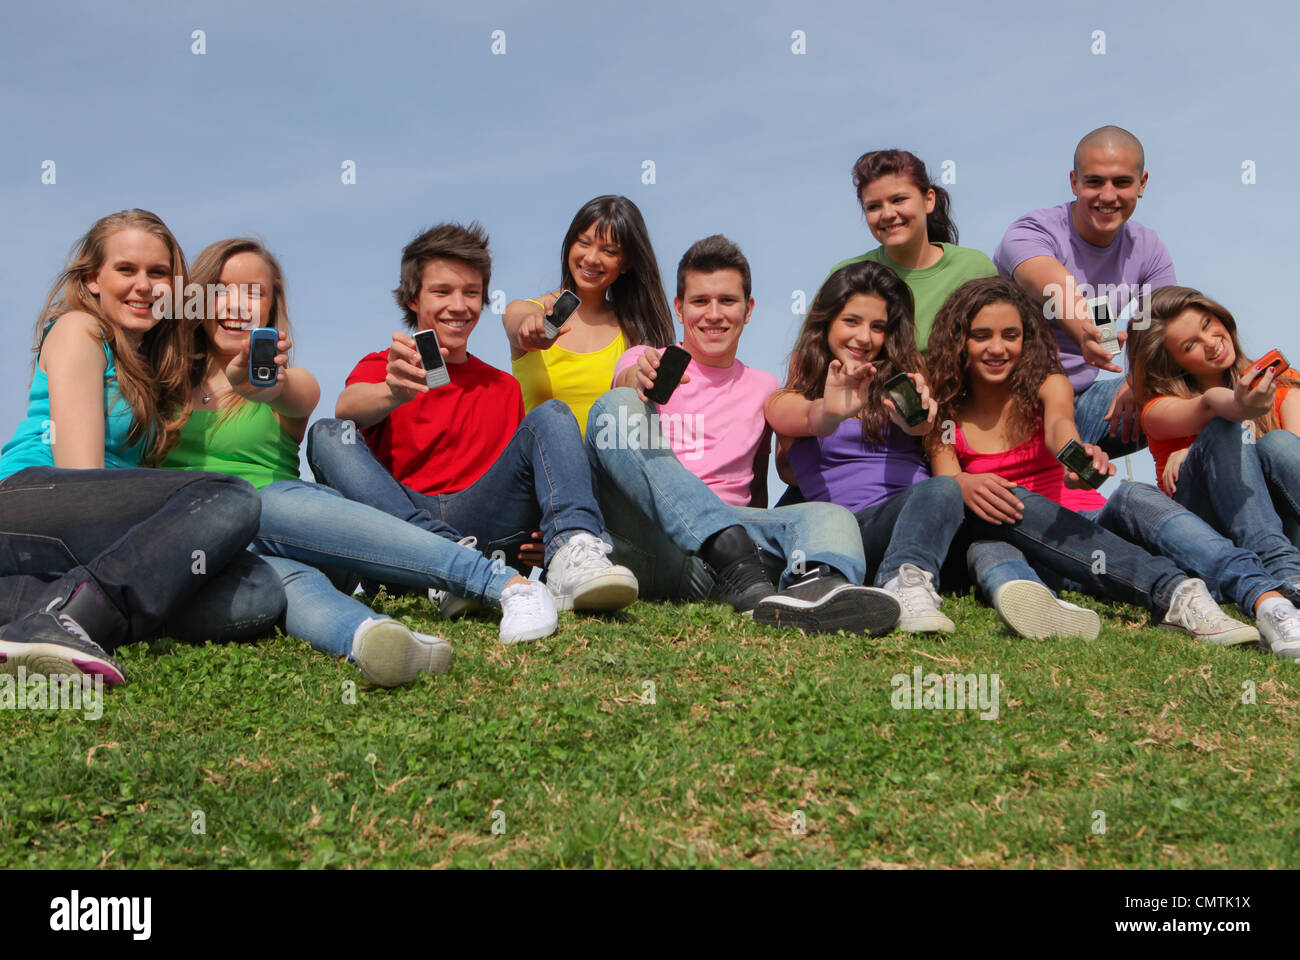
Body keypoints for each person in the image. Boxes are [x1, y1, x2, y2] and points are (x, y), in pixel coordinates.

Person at [161, 238, 570, 683]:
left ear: (272, 308)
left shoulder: (290, 382)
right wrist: (394, 392)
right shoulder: (159, 388)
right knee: (290, 584)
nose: (237, 305)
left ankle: (500, 582)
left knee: (264, 499)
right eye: (221, 290)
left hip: (284, 521)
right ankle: (370, 636)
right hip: (223, 548)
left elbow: (300, 398)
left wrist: (259, 385)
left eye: (254, 293)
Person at [0, 210, 285, 686]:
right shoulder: (80, 331)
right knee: (229, 497)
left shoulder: (152, 363)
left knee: (260, 591)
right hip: (31, 502)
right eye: (126, 270)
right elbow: (82, 481)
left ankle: (40, 607)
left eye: (158, 274)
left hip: (83, 538)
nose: (144, 286)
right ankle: (69, 619)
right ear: (92, 278)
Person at [307, 221, 638, 614]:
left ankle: (571, 550)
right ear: (413, 299)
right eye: (442, 292)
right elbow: (347, 408)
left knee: (552, 413)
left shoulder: (502, 386)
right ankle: (445, 557)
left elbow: (519, 482)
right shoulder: (386, 367)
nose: (459, 305)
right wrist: (392, 392)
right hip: (404, 540)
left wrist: (538, 534)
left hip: (485, 539)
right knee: (327, 433)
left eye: (471, 293)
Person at [587, 235, 900, 635]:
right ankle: (732, 554)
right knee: (614, 408)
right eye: (700, 301)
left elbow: (775, 461)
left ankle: (821, 589)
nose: (714, 314)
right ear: (679, 307)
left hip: (732, 567)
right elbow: (629, 385)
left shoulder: (762, 386)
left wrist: (831, 414)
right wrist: (638, 381)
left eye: (728, 301)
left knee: (829, 515)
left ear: (748, 309)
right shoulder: (643, 360)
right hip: (652, 539)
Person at [924, 276, 1258, 646]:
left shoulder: (1048, 384)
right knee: (986, 546)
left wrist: (1077, 462)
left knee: (1133, 495)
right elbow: (946, 480)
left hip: (1092, 531)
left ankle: (1237, 585)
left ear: (1026, 338)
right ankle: (1035, 603)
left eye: (1011, 335)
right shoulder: (942, 414)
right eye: (981, 335)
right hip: (1029, 549)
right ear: (958, 340)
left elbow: (1060, 428)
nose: (997, 348)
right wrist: (963, 483)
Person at [765, 261, 963, 632]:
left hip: (924, 525)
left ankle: (909, 579)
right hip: (853, 533)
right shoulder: (787, 398)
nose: (864, 337)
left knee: (947, 493)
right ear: (826, 323)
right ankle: (897, 580)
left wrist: (919, 425)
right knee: (942, 492)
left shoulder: (904, 383)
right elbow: (808, 419)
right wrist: (832, 411)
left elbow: (938, 450)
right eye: (851, 321)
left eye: (878, 327)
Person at [1126, 285, 1300, 656]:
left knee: (1279, 444)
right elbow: (1208, 406)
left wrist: (1197, 446)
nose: (1211, 341)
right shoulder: (1159, 410)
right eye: (1190, 345)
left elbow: (1292, 464)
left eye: (1209, 324)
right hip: (1214, 533)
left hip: (1283, 524)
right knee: (1225, 428)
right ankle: (1283, 579)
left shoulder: (1285, 387)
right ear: (1174, 364)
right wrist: (1210, 437)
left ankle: (1288, 574)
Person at [993, 125, 1175, 456]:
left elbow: (1160, 327)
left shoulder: (1148, 249)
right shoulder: (1031, 232)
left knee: (1183, 382)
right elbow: (1055, 285)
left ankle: (1179, 472)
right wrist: (1085, 333)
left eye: (1121, 182)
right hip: (1010, 403)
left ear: (1142, 183)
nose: (1108, 196)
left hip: (1089, 404)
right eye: (1094, 182)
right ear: (1074, 182)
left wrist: (1137, 379)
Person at [505, 196, 674, 435]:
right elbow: (515, 321)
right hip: (540, 466)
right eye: (584, 243)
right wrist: (527, 329)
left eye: (608, 250)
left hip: (605, 466)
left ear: (625, 263)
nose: (592, 258)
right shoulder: (532, 311)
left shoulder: (634, 333)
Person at [829, 149, 996, 349]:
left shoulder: (974, 267)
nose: (888, 214)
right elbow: (807, 356)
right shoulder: (848, 274)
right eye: (874, 207)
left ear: (929, 200)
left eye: (898, 200)